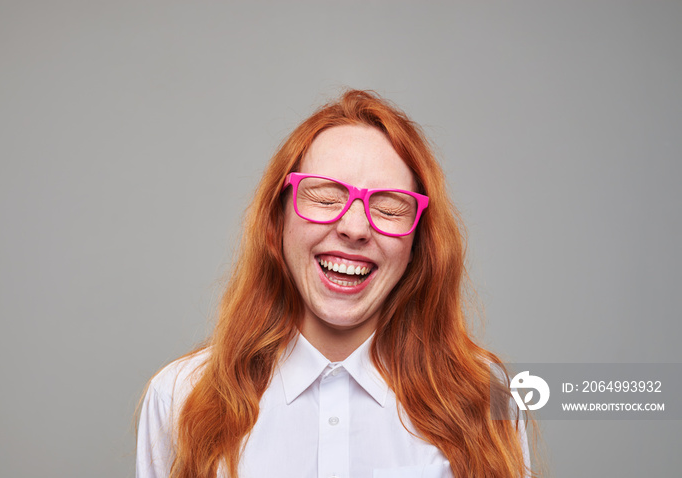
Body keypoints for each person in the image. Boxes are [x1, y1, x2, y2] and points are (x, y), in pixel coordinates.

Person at [136, 89, 532, 478]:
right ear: (278, 222)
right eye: (325, 199)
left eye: (390, 208)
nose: (354, 228)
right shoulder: (178, 397)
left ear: (418, 243)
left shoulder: (488, 397)